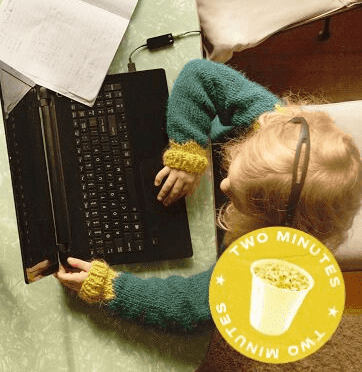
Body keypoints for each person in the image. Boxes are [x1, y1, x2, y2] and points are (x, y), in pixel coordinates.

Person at [55, 59, 362, 331]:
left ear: (275, 222)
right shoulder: (274, 125)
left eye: (244, 198)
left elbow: (195, 305)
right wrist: (188, 152)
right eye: (236, 161)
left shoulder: (274, 256)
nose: (225, 186)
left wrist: (110, 288)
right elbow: (201, 74)